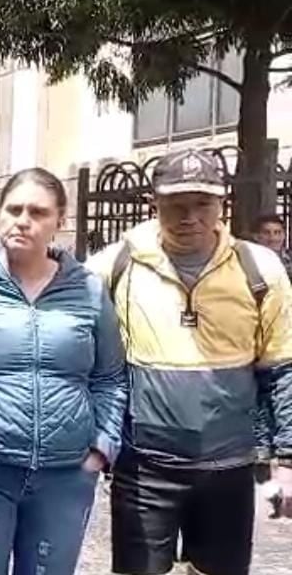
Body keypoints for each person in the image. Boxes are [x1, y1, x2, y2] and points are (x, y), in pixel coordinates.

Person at [86, 149, 292, 575]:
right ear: (153, 203)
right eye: (176, 203)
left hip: (229, 466)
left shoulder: (261, 270)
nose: (190, 215)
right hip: (144, 467)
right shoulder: (114, 266)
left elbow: (283, 370)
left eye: (203, 203)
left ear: (223, 205)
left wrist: (288, 459)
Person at [0, 168, 128, 575]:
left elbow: (110, 377)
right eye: (14, 209)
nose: (23, 220)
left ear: (59, 222)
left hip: (65, 476)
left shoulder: (88, 290)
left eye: (38, 211)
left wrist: (102, 446)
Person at [253, 213, 292, 279]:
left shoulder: (290, 257)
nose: (273, 238)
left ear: (284, 235)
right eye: (266, 233)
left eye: (277, 232)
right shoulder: (249, 260)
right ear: (256, 236)